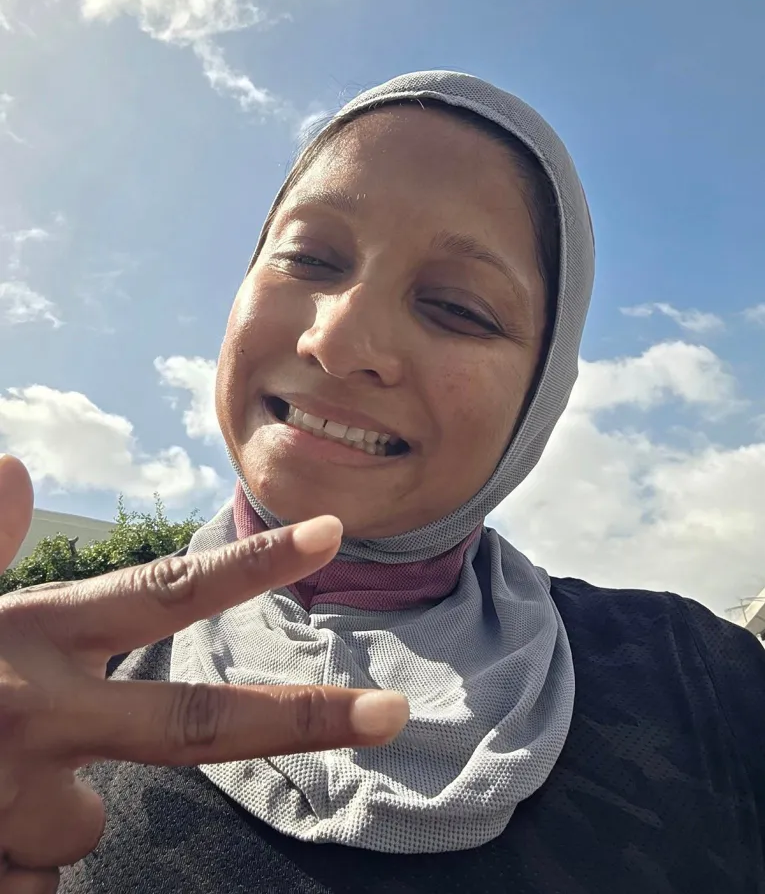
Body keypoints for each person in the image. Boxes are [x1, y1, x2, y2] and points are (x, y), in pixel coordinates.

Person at [0, 71, 762, 894]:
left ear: (541, 390)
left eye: (458, 307)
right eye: (309, 257)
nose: (341, 337)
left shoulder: (703, 681)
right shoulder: (49, 685)